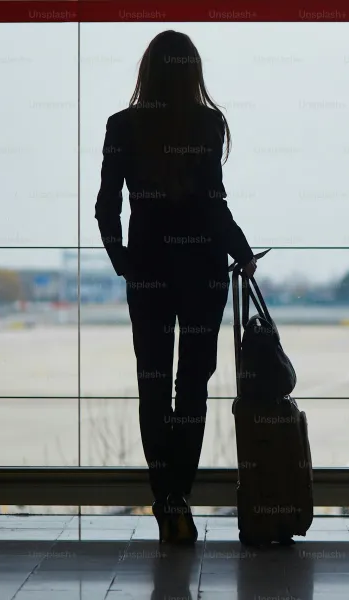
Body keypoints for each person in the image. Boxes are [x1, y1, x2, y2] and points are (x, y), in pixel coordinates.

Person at [95, 30, 257, 544]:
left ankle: (165, 497)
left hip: (148, 271)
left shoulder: (122, 126)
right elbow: (213, 201)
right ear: (192, 72)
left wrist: (123, 260)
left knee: (152, 383)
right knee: (192, 387)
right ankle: (178, 497)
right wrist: (242, 252)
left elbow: (106, 205)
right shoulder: (208, 125)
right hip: (202, 269)